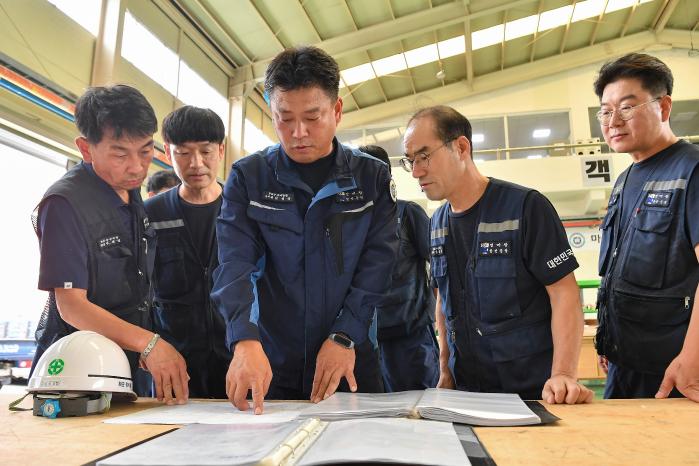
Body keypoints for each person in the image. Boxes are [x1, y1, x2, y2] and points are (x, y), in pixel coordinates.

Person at [211, 45, 398, 413]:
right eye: (284, 118)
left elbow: (379, 265)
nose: (298, 132)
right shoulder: (249, 178)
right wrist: (245, 339)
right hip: (272, 360)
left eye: (313, 117)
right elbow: (235, 264)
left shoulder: (370, 177)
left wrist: (345, 336)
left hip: (351, 358)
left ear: (337, 110)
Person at [402, 105, 593, 404]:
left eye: (424, 156)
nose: (416, 171)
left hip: (532, 393)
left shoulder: (526, 208)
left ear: (461, 147)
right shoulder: (437, 224)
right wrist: (445, 371)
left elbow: (564, 292)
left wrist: (564, 374)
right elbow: (443, 301)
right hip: (467, 393)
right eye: (410, 160)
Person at [31, 84, 189, 404]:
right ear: (86, 149)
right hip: (76, 377)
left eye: (145, 150)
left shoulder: (131, 193)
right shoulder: (64, 203)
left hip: (126, 367)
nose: (137, 167)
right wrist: (150, 343)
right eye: (120, 153)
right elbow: (72, 305)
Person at [592, 53, 699, 402]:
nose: (613, 120)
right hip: (624, 365)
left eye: (626, 107)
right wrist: (607, 339)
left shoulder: (691, 172)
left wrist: (691, 358)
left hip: (675, 372)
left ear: (664, 107)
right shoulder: (624, 180)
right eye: (606, 111)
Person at [145, 106, 230, 398]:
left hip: (236, 357)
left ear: (220, 150)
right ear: (168, 153)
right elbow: (140, 290)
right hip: (175, 362)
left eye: (205, 151)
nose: (196, 163)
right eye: (183, 152)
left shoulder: (242, 211)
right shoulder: (151, 214)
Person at [358, 144, 439, 392]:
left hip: (411, 342)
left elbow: (440, 267)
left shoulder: (408, 214)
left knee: (420, 417)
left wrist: (435, 313)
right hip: (365, 343)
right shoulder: (351, 224)